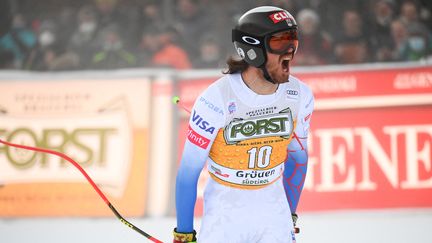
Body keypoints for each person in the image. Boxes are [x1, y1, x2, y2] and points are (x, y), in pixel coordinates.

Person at [173, 6, 314, 243]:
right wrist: (184, 233)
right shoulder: (216, 98)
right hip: (225, 216)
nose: (290, 50)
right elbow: (188, 172)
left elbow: (298, 159)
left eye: (293, 41)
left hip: (274, 213)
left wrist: (289, 216)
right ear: (252, 49)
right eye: (280, 42)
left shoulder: (300, 95)